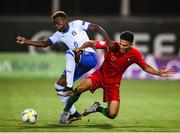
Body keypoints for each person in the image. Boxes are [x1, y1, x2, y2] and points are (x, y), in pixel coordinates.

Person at [16, 11, 112, 123]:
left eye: (58, 23)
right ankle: (74, 113)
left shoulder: (76, 24)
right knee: (58, 86)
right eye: (55, 24)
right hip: (78, 62)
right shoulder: (58, 34)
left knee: (69, 53)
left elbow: (96, 28)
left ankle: (69, 87)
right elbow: (45, 43)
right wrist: (26, 41)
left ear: (65, 21)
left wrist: (109, 41)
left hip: (89, 56)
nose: (57, 26)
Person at [60, 31, 174, 124]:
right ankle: (66, 113)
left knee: (112, 114)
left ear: (131, 45)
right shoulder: (112, 45)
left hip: (113, 83)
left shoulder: (135, 54)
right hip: (100, 75)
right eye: (121, 43)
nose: (122, 46)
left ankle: (97, 108)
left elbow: (145, 67)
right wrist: (81, 48)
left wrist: (159, 73)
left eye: (125, 45)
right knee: (80, 88)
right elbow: (91, 43)